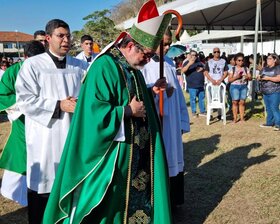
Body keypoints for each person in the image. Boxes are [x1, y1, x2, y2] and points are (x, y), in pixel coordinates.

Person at [42, 1, 174, 223]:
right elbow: (93, 115)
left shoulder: (133, 68)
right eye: (147, 55)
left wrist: (151, 92)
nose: (148, 60)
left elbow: (136, 101)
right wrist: (126, 111)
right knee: (109, 209)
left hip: (135, 154)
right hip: (112, 156)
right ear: (131, 46)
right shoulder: (104, 66)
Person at [15, 19, 88, 224]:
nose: (66, 40)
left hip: (74, 135)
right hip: (44, 139)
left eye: (68, 36)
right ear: (48, 39)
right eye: (60, 36)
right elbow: (24, 100)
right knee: (44, 187)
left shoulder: (81, 65)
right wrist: (58, 105)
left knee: (73, 189)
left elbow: (93, 93)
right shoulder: (32, 65)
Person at [141, 28, 190, 209]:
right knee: (160, 159)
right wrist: (156, 92)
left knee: (173, 156)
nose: (168, 47)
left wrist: (182, 120)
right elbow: (142, 92)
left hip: (172, 119)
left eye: (169, 43)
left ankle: (173, 200)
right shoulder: (144, 63)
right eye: (164, 43)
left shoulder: (168, 62)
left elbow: (177, 94)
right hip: (157, 119)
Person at [0, 40, 45, 207]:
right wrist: (23, 104)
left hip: (45, 118)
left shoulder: (48, 69)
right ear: (25, 57)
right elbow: (3, 95)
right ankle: (14, 191)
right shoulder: (13, 72)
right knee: (21, 154)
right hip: (23, 119)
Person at [204, 47, 228, 120]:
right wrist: (211, 80)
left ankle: (220, 114)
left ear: (220, 52)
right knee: (210, 98)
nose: (216, 53)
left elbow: (226, 72)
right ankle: (210, 114)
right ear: (213, 53)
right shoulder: (209, 62)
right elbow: (205, 72)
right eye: (215, 52)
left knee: (221, 98)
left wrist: (221, 79)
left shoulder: (223, 61)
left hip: (220, 82)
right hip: (211, 82)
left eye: (218, 52)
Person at [258, 53, 280, 131]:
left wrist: (268, 78)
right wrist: (259, 77)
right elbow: (260, 77)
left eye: (270, 59)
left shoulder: (277, 68)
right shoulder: (264, 69)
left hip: (275, 91)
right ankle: (269, 123)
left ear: (275, 60)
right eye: (267, 58)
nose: (268, 60)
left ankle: (278, 124)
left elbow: (278, 79)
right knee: (268, 108)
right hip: (265, 92)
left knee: (274, 108)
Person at [228, 53, 252, 123]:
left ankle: (242, 118)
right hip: (234, 86)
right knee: (235, 102)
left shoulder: (246, 68)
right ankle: (235, 118)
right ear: (235, 61)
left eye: (242, 60)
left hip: (243, 86)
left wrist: (248, 77)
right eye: (239, 60)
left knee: (242, 102)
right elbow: (229, 80)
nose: (241, 62)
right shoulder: (232, 69)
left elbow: (250, 78)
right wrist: (237, 77)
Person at [181, 49, 206, 117]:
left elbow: (205, 69)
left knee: (201, 99)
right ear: (189, 55)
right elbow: (182, 71)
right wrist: (189, 63)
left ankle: (202, 111)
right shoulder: (186, 63)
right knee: (193, 99)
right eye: (192, 55)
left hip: (200, 85)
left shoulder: (199, 62)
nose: (194, 57)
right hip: (192, 85)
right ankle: (194, 112)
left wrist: (202, 69)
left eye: (195, 55)